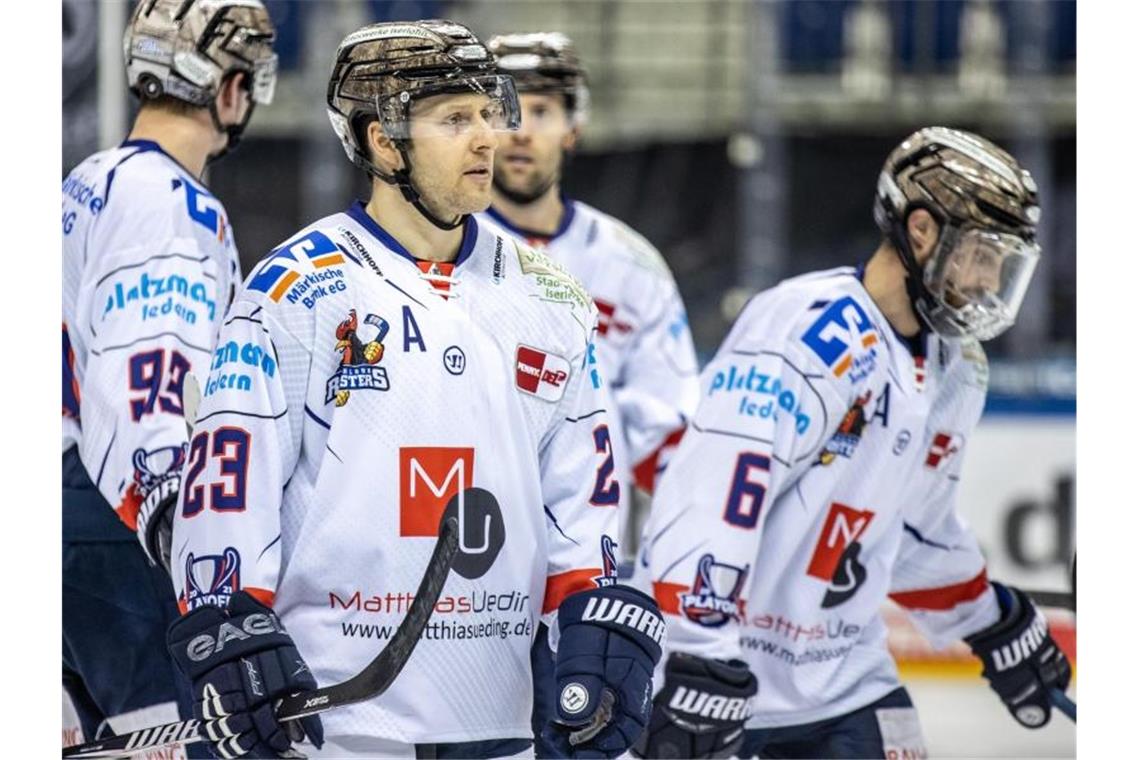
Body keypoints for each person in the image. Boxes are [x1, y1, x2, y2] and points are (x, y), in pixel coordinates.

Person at [164, 20, 663, 759]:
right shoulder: (295, 291)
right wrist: (230, 622)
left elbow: (581, 500)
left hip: (503, 723)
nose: (489, 138)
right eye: (454, 119)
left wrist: (592, 614)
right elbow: (230, 485)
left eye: (489, 114)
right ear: (381, 141)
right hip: (334, 724)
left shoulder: (552, 297)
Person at [631, 127, 1072, 759]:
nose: (989, 280)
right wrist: (697, 647)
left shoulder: (958, 367)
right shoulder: (809, 327)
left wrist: (993, 620)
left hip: (846, 679)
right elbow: (714, 494)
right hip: (728, 675)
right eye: (981, 253)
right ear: (921, 231)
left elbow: (913, 533)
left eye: (1003, 263)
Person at [477, 32, 700, 758]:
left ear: (574, 127)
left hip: (589, 582)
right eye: (503, 111)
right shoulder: (444, 251)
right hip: (470, 579)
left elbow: (674, 441)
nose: (520, 131)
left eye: (539, 110)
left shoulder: (631, 265)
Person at [62, 0, 277, 749]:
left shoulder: (89, 178)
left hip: (67, 519)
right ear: (227, 89)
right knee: (184, 739)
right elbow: (148, 373)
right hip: (108, 526)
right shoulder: (172, 204)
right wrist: (179, 529)